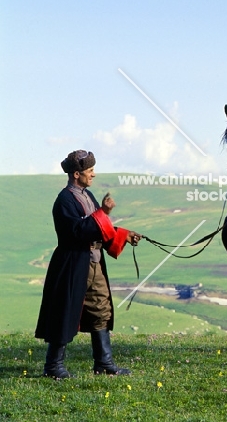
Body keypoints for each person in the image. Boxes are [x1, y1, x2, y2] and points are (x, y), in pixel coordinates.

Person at [35, 150, 141, 379]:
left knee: (101, 309)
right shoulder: (64, 201)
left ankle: (104, 363)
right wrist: (103, 212)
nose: (93, 175)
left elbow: (100, 229)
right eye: (90, 171)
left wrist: (124, 235)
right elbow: (78, 231)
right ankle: (53, 367)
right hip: (72, 264)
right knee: (65, 313)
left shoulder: (87, 196)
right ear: (76, 174)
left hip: (95, 265)